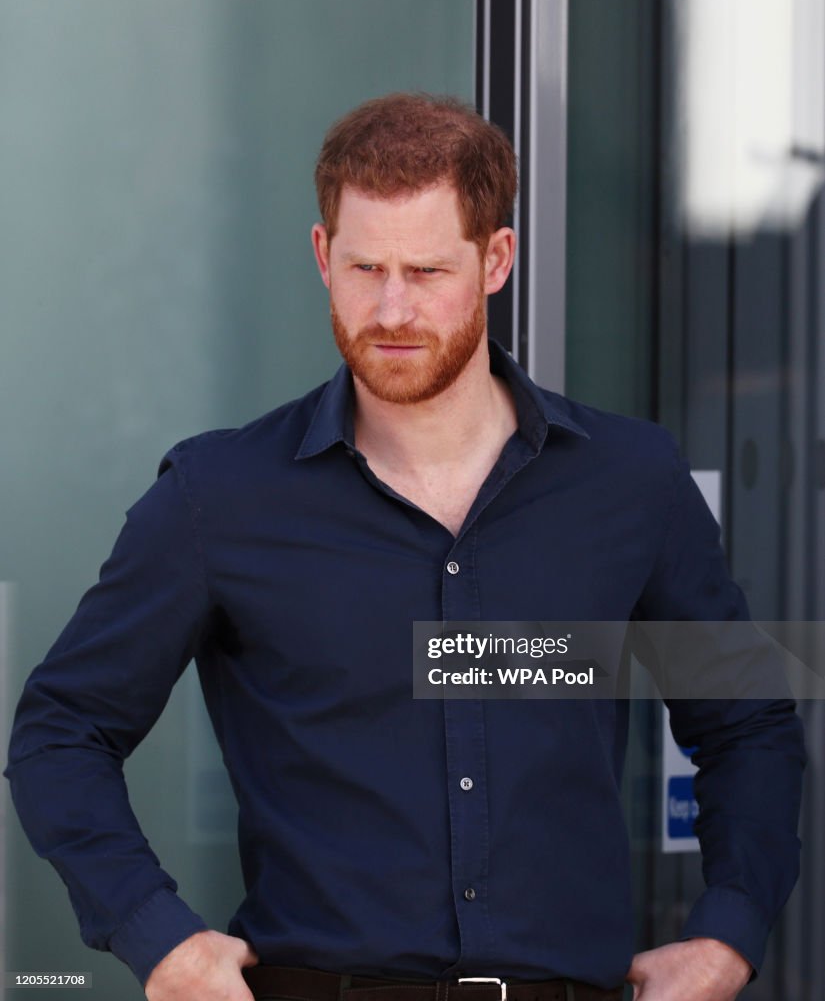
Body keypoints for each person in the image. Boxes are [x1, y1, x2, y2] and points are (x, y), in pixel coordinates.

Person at [5, 93, 804, 1001]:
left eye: (425, 270)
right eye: (364, 268)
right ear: (322, 257)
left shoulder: (631, 482)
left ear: (495, 259)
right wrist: (161, 940)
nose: (391, 309)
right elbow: (61, 732)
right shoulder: (217, 497)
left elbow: (746, 722)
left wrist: (729, 933)